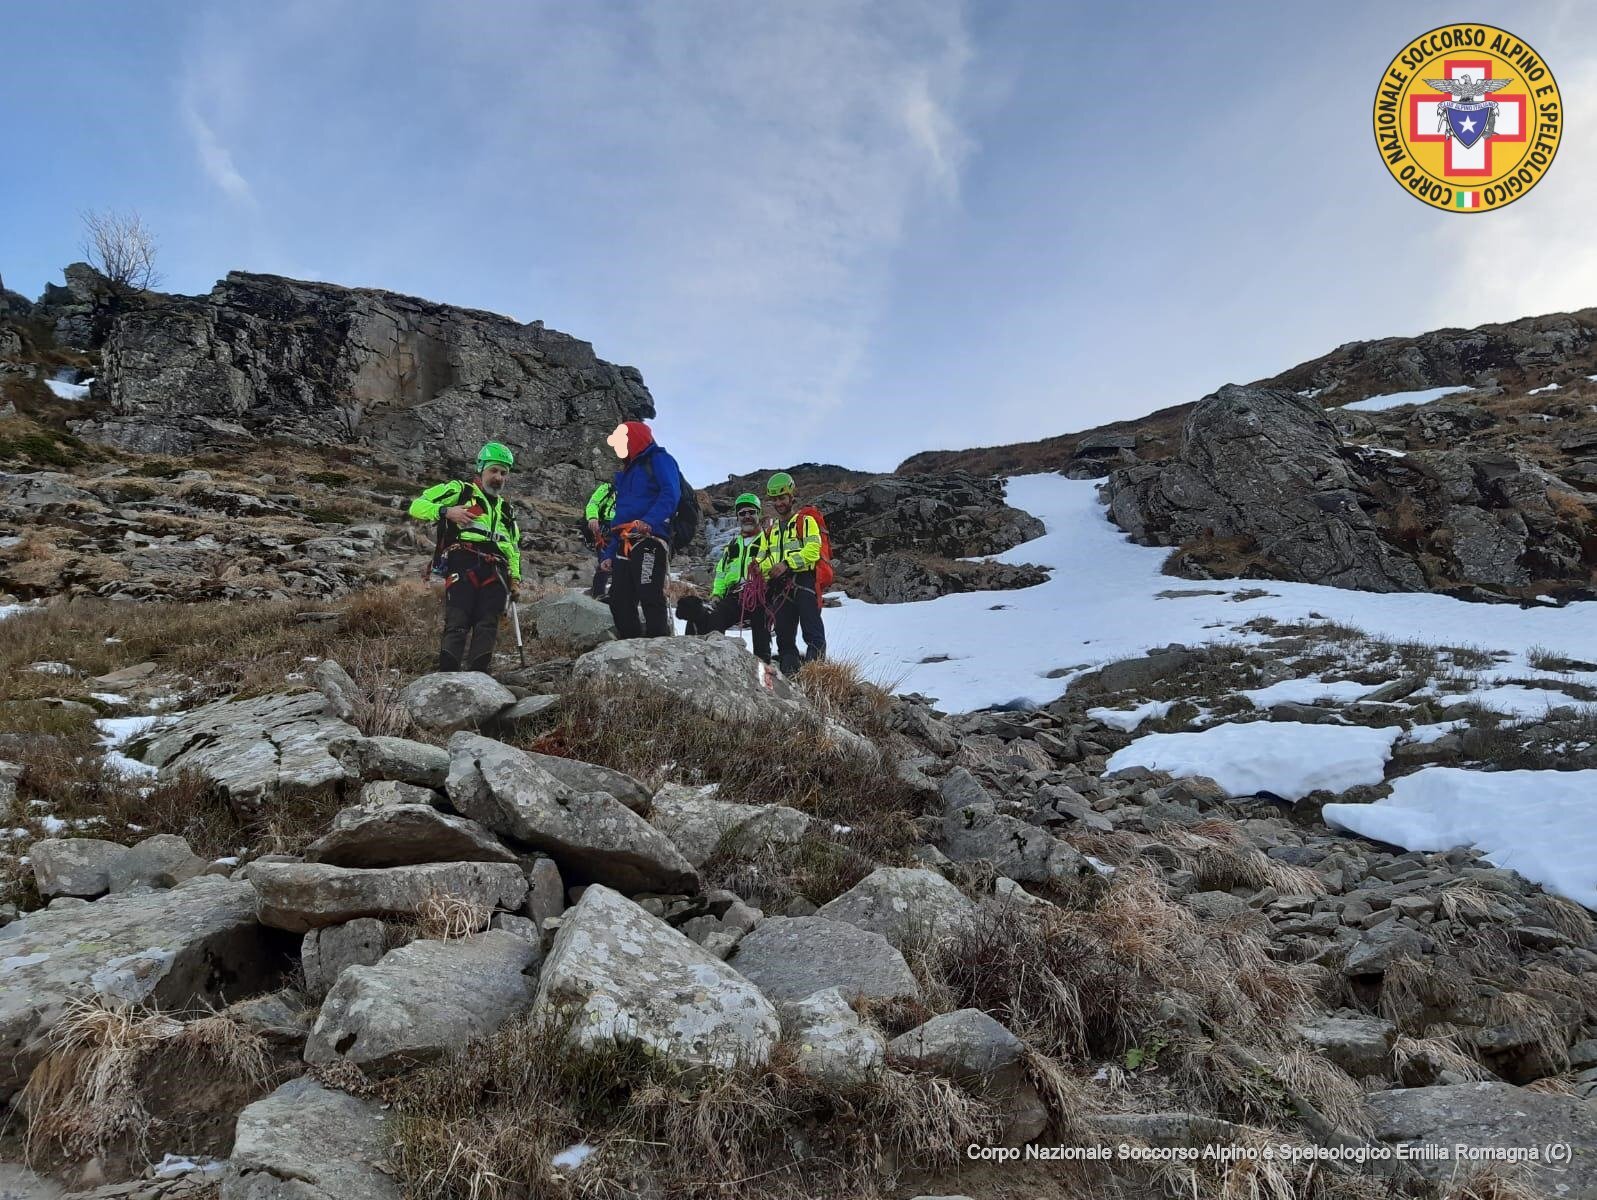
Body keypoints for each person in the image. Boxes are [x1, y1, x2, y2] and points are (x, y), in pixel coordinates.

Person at [409, 442, 521, 672]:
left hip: (497, 570)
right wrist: (446, 511)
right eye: (494, 470)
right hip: (464, 560)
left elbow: (512, 548)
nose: (498, 477)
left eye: (503, 473)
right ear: (481, 468)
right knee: (457, 621)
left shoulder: (507, 511)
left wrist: (516, 579)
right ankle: (447, 675)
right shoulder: (460, 490)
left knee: (488, 624)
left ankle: (479, 677)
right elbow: (417, 506)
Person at [601, 420, 681, 639]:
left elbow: (671, 493)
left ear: (634, 439)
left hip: (650, 538)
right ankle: (633, 646)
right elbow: (620, 517)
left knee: (649, 592)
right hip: (625, 541)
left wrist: (649, 521)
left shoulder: (659, 459)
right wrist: (609, 553)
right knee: (619, 599)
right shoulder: (627, 473)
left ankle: (659, 646)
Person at [675, 492, 771, 660]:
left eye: (751, 512)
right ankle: (712, 659)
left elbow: (775, 560)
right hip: (735, 594)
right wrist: (717, 594)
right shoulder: (733, 545)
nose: (747, 516)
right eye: (742, 513)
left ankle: (764, 663)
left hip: (761, 593)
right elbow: (721, 573)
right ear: (738, 517)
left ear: (759, 514)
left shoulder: (769, 540)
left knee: (761, 624)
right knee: (713, 618)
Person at [754, 471, 826, 675]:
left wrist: (786, 564)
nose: (778, 503)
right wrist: (760, 567)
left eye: (782, 498)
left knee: (812, 633)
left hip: (804, 581)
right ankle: (790, 676)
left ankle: (816, 677)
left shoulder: (805, 521)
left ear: (791, 497)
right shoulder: (771, 531)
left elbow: (813, 550)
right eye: (775, 499)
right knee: (784, 637)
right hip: (780, 586)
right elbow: (766, 558)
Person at [583, 479, 617, 599]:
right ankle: (598, 594)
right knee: (605, 560)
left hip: (626, 529)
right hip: (605, 530)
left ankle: (613, 595)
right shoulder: (608, 488)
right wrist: (593, 517)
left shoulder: (634, 491)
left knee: (622, 563)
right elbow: (593, 503)